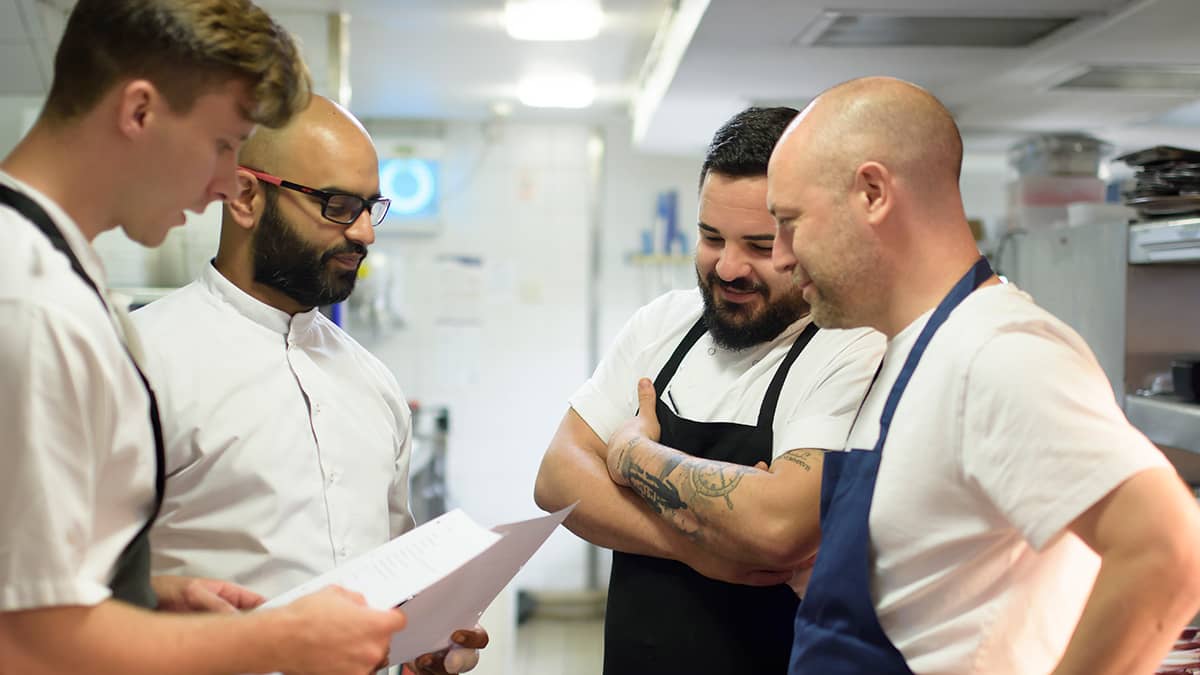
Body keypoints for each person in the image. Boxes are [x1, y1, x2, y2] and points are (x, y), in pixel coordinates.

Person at [0, 1, 410, 674]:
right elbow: (23, 638)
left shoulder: (57, 279)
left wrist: (151, 594)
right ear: (139, 112)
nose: (225, 182)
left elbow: (46, 584)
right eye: (223, 144)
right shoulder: (30, 300)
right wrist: (280, 640)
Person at [766, 76, 1200, 674]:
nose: (781, 256)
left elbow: (1168, 551)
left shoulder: (997, 352)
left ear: (872, 193)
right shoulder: (912, 350)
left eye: (790, 221)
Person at [130, 94, 487, 675]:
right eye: (339, 205)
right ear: (246, 197)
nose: (366, 233)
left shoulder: (373, 382)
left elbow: (395, 573)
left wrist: (421, 639)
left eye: (372, 206)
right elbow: (51, 588)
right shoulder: (137, 361)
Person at [534, 106, 886, 675]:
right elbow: (557, 480)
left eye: (759, 244)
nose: (728, 267)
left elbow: (777, 529)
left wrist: (631, 455)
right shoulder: (662, 326)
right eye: (710, 236)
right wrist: (702, 548)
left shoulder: (849, 345)